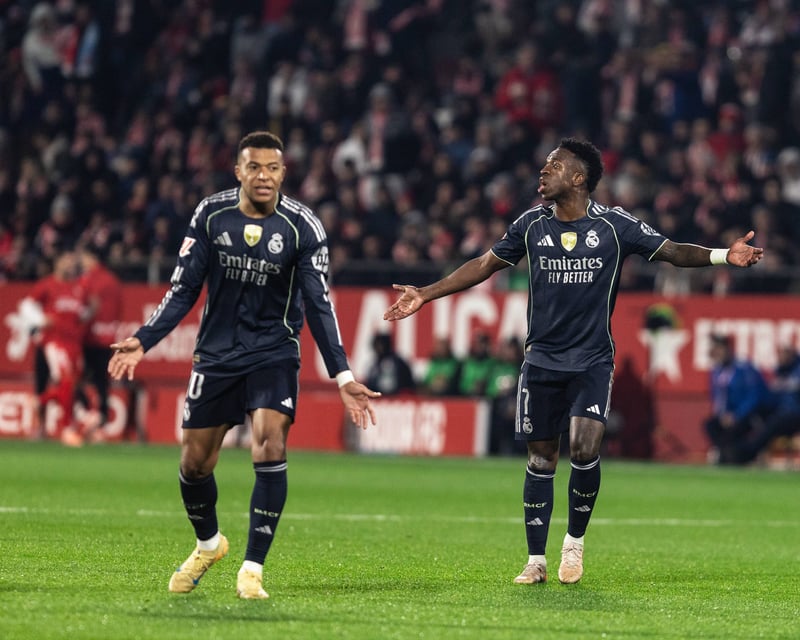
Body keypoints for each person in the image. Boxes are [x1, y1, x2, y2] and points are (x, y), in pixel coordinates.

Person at [383, 137, 763, 585]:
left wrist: (723, 255)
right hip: (541, 362)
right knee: (542, 459)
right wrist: (426, 294)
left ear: (578, 178)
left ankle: (574, 545)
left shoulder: (615, 225)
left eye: (555, 165)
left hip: (591, 361)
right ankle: (535, 560)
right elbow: (484, 264)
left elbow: (672, 251)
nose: (544, 171)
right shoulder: (530, 224)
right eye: (545, 165)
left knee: (585, 448)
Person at [108, 131, 380, 600]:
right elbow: (183, 289)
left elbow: (319, 305)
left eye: (272, 168)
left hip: (274, 352)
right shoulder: (211, 215)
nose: (264, 176)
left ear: (283, 173)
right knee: (194, 464)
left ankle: (252, 568)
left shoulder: (303, 227)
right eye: (254, 167)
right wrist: (144, 339)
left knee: (269, 444)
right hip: (216, 355)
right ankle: (209, 545)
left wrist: (343, 376)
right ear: (238, 171)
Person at [27, 247, 89, 446]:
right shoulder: (47, 285)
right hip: (54, 342)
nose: (70, 265)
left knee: (70, 385)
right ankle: (67, 428)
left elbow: (81, 313)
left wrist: (87, 315)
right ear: (58, 263)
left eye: (72, 262)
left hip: (74, 344)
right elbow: (26, 306)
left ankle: (41, 401)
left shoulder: (79, 288)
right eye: (66, 261)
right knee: (66, 381)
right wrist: (40, 320)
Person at [703, 333, 771, 465]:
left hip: (747, 415)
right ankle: (725, 454)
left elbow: (755, 396)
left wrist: (737, 415)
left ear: (728, 349)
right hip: (727, 416)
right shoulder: (717, 371)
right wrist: (723, 415)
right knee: (711, 425)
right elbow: (717, 397)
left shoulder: (744, 368)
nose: (717, 352)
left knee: (733, 431)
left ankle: (729, 456)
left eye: (719, 348)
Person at [77, 244, 122, 442]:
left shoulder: (87, 280)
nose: (82, 261)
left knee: (76, 378)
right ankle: (101, 421)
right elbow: (118, 308)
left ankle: (87, 415)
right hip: (107, 337)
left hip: (89, 337)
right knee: (102, 382)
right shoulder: (113, 280)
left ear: (92, 258)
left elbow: (84, 306)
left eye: (85, 257)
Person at [734, 344, 800, 465]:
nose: (782, 358)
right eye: (781, 354)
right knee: (756, 413)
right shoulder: (780, 372)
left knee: (775, 422)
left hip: (795, 415)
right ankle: (734, 447)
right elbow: (772, 395)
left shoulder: (797, 370)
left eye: (786, 354)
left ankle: (749, 452)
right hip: (780, 412)